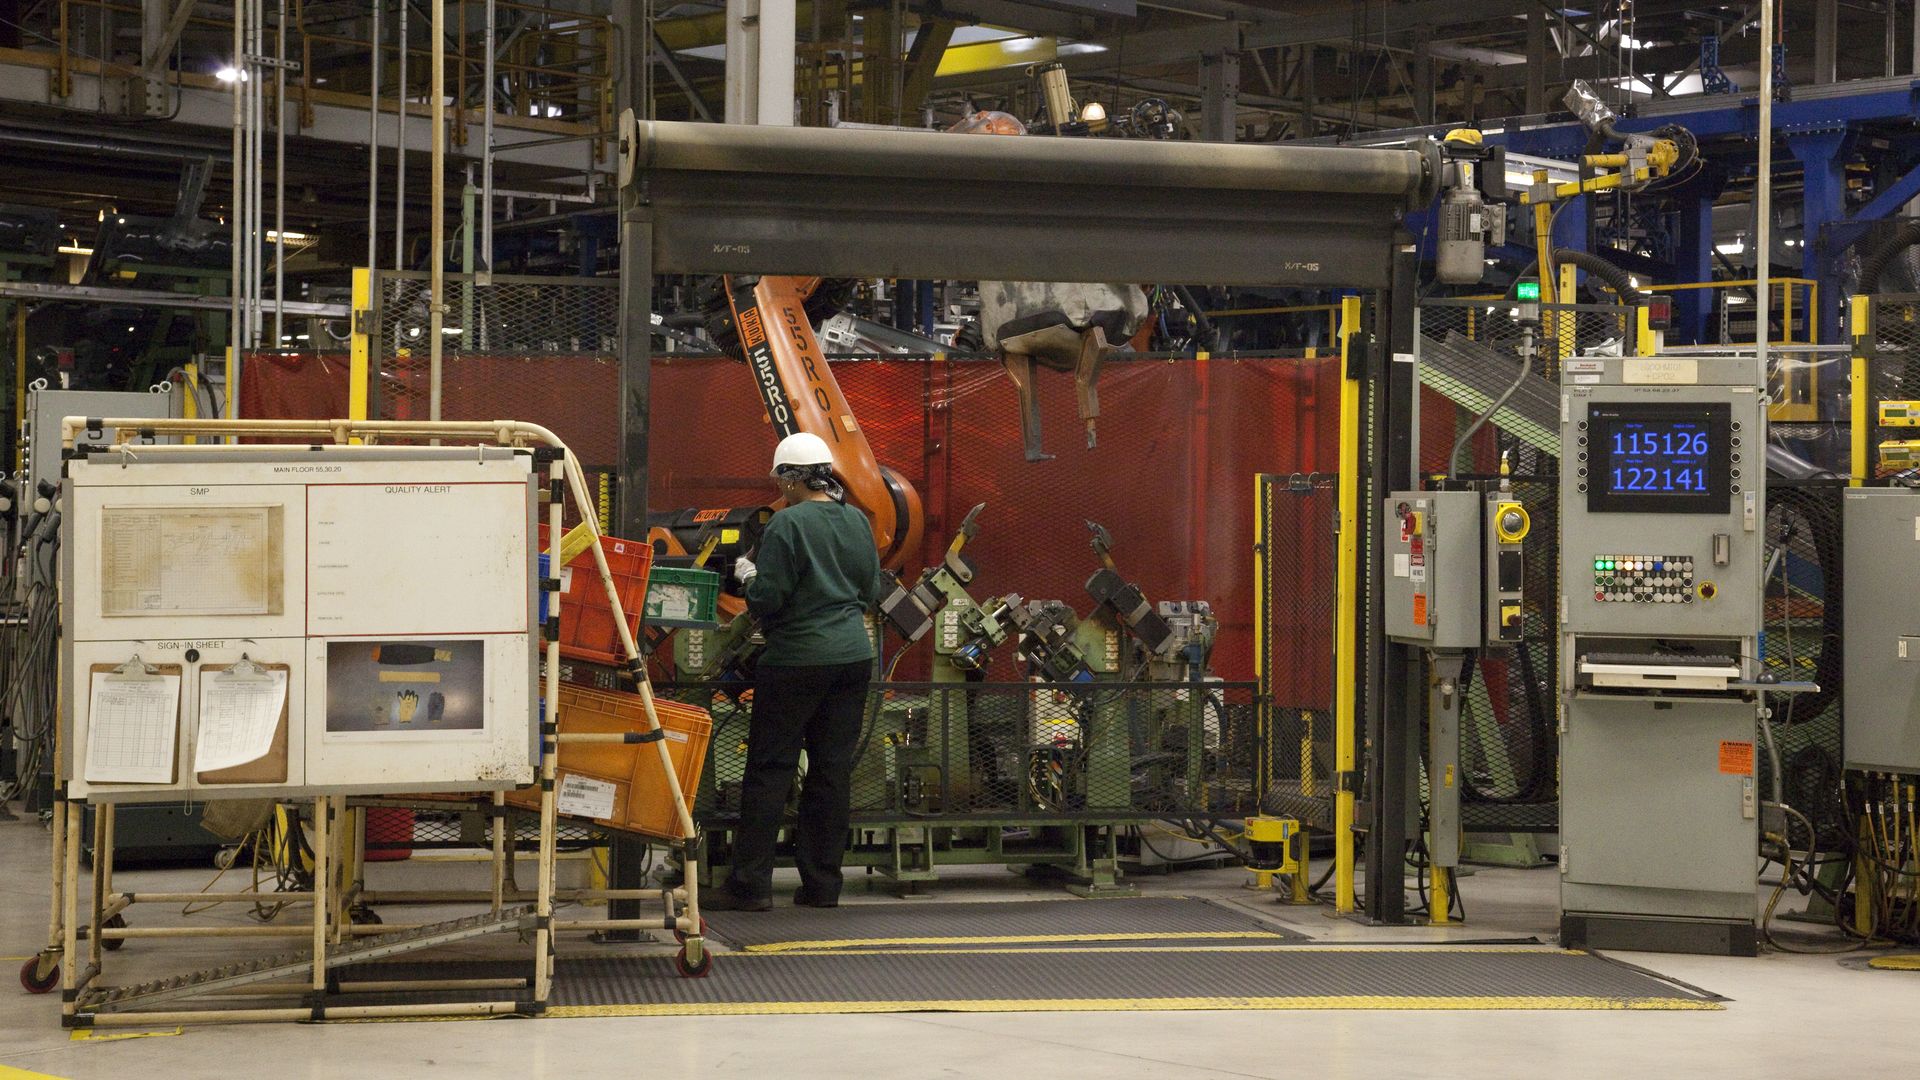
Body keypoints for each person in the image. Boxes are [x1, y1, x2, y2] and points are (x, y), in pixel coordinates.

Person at [704, 431, 882, 911]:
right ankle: (823, 886)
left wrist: (747, 575)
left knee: (770, 770)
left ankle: (750, 886)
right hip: (852, 659)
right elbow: (870, 589)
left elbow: (767, 600)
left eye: (778, 478)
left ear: (791, 479)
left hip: (797, 661)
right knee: (830, 772)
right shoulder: (857, 522)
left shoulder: (786, 526)